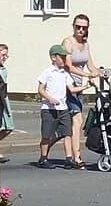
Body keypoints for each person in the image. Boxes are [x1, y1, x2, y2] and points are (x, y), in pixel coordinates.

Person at [63, 15, 102, 166]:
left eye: (84, 27)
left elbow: (90, 65)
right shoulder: (68, 42)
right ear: (73, 26)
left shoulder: (86, 45)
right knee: (77, 120)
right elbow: (68, 66)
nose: (80, 30)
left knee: (69, 123)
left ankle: (46, 149)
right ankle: (76, 157)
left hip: (79, 87)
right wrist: (87, 74)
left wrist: (99, 73)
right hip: (67, 85)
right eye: (78, 27)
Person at [36, 44, 75, 168]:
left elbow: (72, 89)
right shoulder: (48, 72)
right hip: (49, 109)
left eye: (65, 57)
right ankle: (43, 158)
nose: (64, 59)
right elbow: (40, 89)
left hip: (63, 108)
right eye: (62, 57)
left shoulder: (65, 73)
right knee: (47, 135)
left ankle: (69, 158)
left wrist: (87, 86)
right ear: (54, 57)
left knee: (67, 133)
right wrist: (50, 99)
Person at [0, 41, 14, 157]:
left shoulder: (3, 69)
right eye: (3, 55)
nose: (5, 58)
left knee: (9, 127)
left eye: (6, 56)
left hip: (3, 98)